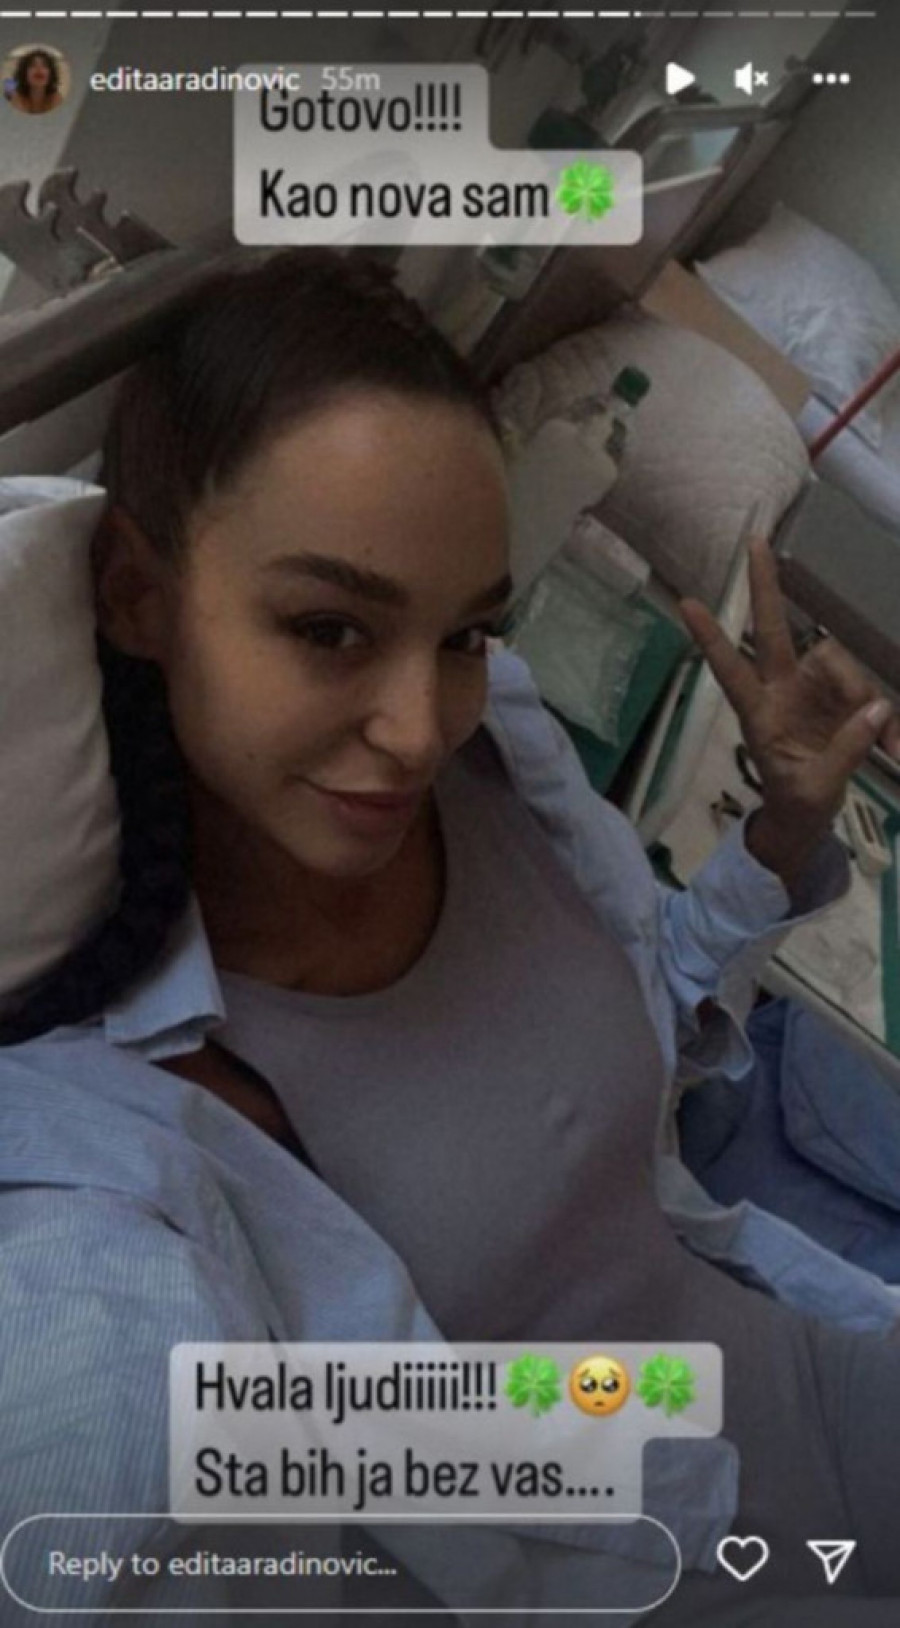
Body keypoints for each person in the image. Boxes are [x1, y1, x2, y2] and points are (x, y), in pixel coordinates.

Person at [2, 247, 900, 1624]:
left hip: (797, 1378)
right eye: (329, 628)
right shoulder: (121, 1112)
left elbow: (638, 1022)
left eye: (465, 634)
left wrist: (779, 834)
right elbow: (113, 1479)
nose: (419, 728)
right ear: (136, 593)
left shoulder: (500, 769)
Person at [7, 47, 63, 114]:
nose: (39, 68)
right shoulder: (16, 98)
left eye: (44, 65)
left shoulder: (56, 99)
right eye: (33, 65)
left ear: (51, 74)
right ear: (24, 73)